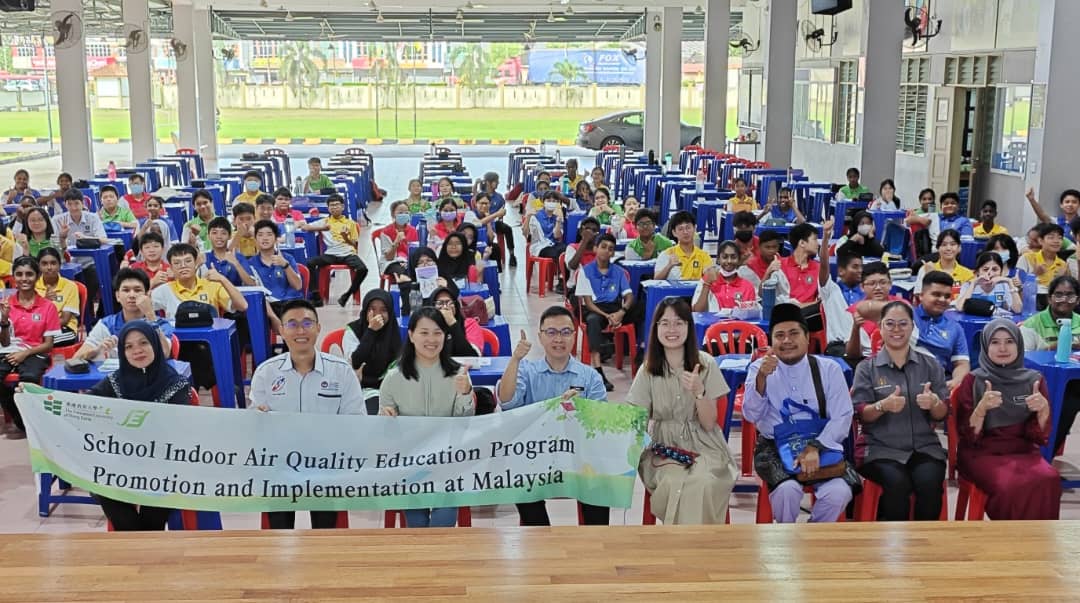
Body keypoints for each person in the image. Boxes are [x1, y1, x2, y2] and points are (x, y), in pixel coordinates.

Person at [250, 299, 365, 529]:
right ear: (281, 330)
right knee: (279, 531)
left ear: (318, 327)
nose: (300, 331)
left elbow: (357, 423)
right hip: (280, 466)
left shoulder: (340, 372)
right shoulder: (266, 373)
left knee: (326, 533)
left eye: (307, 323)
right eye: (291, 324)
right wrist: (258, 418)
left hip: (327, 466)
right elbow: (254, 431)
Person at [626, 297, 737, 524]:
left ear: (689, 326)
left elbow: (709, 423)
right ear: (655, 328)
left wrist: (699, 392)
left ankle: (695, 545)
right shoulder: (648, 370)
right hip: (663, 447)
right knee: (675, 482)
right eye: (664, 323)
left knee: (703, 481)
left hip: (705, 445)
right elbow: (636, 420)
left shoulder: (706, 364)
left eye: (679, 323)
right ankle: (687, 545)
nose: (672, 329)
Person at [497, 305, 609, 525]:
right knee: (521, 482)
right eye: (551, 332)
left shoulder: (590, 377)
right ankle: (539, 540)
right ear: (540, 336)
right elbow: (507, 402)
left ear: (575, 336)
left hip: (578, 457)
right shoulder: (527, 371)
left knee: (600, 481)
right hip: (535, 456)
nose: (559, 339)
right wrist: (515, 359)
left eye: (566, 332)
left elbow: (602, 424)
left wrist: (581, 411)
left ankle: (596, 544)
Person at [743, 303, 855, 523]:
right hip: (774, 446)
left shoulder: (829, 369)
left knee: (838, 492)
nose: (787, 341)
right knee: (788, 491)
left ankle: (813, 538)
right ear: (771, 341)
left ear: (807, 337)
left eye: (794, 333)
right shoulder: (759, 369)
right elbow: (751, 415)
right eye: (780, 335)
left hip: (821, 443)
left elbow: (842, 416)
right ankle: (787, 539)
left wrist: (815, 447)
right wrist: (761, 381)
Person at [87, 321, 192, 530]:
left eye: (143, 343)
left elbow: (180, 429)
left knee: (153, 517)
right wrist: (38, 397)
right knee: (108, 496)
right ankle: (139, 548)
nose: (137, 351)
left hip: (163, 467)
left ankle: (141, 551)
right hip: (120, 465)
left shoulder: (175, 383)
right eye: (129, 346)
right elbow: (88, 406)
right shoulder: (115, 380)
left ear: (155, 344)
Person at [378, 307, 475, 527]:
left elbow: (466, 421)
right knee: (417, 524)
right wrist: (385, 417)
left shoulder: (458, 374)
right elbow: (382, 430)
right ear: (411, 335)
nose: (431, 339)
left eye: (437, 332)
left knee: (443, 522)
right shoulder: (393, 378)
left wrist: (466, 393)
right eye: (424, 333)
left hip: (448, 463)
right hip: (409, 464)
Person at [851, 301, 948, 521]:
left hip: (924, 448)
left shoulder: (930, 365)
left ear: (913, 327)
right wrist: (881, 406)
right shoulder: (866, 368)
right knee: (897, 485)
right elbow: (861, 413)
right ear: (880, 327)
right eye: (890, 324)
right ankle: (893, 549)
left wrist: (934, 403)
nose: (896, 330)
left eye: (903, 324)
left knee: (930, 483)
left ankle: (926, 546)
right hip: (879, 449)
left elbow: (942, 414)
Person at [955, 319, 1061, 520]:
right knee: (1009, 485)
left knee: (1050, 478)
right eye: (995, 342)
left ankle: (1037, 541)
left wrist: (1043, 411)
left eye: (1009, 341)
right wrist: (981, 410)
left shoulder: (1034, 379)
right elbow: (966, 436)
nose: (1002, 348)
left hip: (1023, 450)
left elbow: (1037, 436)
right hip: (982, 452)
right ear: (986, 346)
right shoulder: (973, 380)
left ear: (1019, 345)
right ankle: (1011, 543)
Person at [152, 243, 248, 391]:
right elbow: (139, 305)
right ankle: (212, 380)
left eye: (188, 261)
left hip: (209, 346)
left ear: (197, 263)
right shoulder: (165, 290)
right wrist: (152, 283)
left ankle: (195, 386)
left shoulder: (211, 285)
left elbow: (243, 306)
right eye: (177, 263)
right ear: (170, 268)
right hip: (180, 348)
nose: (183, 266)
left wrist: (222, 279)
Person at [1021, 275, 1080, 452]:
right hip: (1039, 384)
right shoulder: (1032, 324)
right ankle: (1044, 453)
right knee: (1068, 403)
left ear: (1077, 300)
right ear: (1049, 298)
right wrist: (1055, 347)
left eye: (1070, 295)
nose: (1065, 300)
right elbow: (1022, 362)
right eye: (1059, 295)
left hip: (1073, 381)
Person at [0, 256, 59, 431]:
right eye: (19, 274)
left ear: (37, 276)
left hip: (36, 352)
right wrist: (3, 320)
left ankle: (34, 423)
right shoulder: (5, 304)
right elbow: (4, 342)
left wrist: (24, 354)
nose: (24, 278)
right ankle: (20, 418)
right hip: (7, 351)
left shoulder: (48, 307)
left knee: (29, 379)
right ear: (13, 277)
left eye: (29, 274)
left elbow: (48, 344)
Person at [575, 233, 639, 390]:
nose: (606, 251)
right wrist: (608, 317)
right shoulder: (586, 271)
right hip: (597, 309)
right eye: (603, 247)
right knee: (593, 321)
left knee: (640, 307)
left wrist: (621, 312)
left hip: (616, 308)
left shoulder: (618, 271)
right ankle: (598, 370)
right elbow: (588, 303)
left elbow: (629, 296)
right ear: (596, 249)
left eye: (611, 249)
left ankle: (640, 354)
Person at [75, 268, 174, 361]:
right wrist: (97, 351)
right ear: (118, 296)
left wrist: (151, 317)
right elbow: (76, 359)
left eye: (137, 290)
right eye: (126, 290)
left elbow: (165, 353)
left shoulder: (161, 324)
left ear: (147, 295)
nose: (131, 295)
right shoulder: (106, 325)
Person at [302, 193, 368, 307]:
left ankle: (347, 295)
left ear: (342, 207)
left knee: (363, 269)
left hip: (348, 253)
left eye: (337, 205)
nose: (334, 207)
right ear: (328, 208)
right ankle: (316, 296)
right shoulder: (325, 221)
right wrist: (322, 228)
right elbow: (305, 227)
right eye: (331, 205)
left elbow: (354, 243)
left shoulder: (350, 223)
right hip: (331, 254)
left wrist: (346, 237)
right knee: (310, 263)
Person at [345, 289, 401, 415]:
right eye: (372, 309)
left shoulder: (393, 331)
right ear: (365, 310)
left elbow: (400, 362)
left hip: (393, 389)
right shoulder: (352, 331)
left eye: (383, 310)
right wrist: (371, 331)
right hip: (365, 389)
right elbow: (356, 362)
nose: (377, 315)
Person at [845, 263, 916, 360]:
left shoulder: (903, 305)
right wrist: (855, 328)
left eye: (883, 282)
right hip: (867, 361)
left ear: (890, 284)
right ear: (862, 287)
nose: (878, 288)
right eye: (872, 283)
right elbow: (852, 355)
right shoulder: (853, 312)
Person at [913, 271, 970, 390]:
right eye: (936, 294)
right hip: (903, 380)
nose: (942, 299)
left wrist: (956, 380)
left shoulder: (955, 327)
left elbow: (962, 364)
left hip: (938, 384)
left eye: (947, 296)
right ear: (921, 295)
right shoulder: (906, 316)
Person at [775, 221, 830, 340]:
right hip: (784, 313)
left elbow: (822, 300)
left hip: (809, 317)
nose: (817, 243)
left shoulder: (818, 268)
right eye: (815, 239)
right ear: (802, 243)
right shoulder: (780, 265)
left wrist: (801, 306)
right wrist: (769, 271)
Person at [53, 188, 106, 304]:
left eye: (76, 203)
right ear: (65, 204)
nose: (73, 207)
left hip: (89, 262)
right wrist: (62, 237)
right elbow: (54, 246)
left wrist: (85, 238)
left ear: (83, 203)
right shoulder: (57, 220)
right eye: (69, 204)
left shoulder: (92, 218)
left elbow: (103, 239)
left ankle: (87, 306)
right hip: (67, 263)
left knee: (95, 279)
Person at [248, 220, 304, 313]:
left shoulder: (287, 258)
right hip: (266, 308)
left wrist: (285, 265)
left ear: (276, 238)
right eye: (260, 235)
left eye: (269, 234)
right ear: (255, 239)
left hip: (290, 305)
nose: (265, 238)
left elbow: (298, 286)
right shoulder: (251, 263)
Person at [692, 240, 757, 312]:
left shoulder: (748, 286)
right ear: (718, 259)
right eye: (725, 257)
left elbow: (751, 315)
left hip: (738, 323)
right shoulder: (706, 280)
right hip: (713, 323)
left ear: (738, 260)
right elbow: (697, 312)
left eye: (733, 257)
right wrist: (707, 284)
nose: (729, 261)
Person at [34, 247, 79, 347]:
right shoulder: (33, 285)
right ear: (39, 266)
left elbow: (64, 319)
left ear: (59, 265)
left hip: (64, 328)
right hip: (36, 326)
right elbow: (29, 314)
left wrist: (40, 328)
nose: (49, 267)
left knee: (36, 341)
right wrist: (44, 301)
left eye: (53, 263)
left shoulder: (70, 286)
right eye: (44, 264)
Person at [525, 191, 568, 290]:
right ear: (543, 202)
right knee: (555, 253)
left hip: (553, 243)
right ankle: (561, 281)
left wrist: (558, 220)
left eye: (555, 201)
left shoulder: (558, 216)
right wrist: (528, 217)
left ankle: (563, 280)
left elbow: (557, 236)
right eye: (549, 200)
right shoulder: (536, 215)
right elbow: (526, 233)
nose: (552, 203)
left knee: (566, 250)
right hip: (539, 246)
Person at [955, 252, 1022, 314]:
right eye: (985, 269)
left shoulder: (1004, 286)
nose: (990, 273)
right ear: (978, 271)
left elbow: (1018, 310)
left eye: (995, 269)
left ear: (1001, 272)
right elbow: (959, 308)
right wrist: (974, 284)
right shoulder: (968, 285)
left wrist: (1009, 282)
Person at [473, 171, 515, 268]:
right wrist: (475, 185)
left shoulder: (499, 197)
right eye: (496, 181)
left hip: (494, 222)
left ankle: (512, 254)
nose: (498, 183)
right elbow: (474, 196)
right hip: (480, 222)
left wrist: (499, 216)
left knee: (508, 229)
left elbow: (501, 214)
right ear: (488, 182)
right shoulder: (481, 195)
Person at [655, 211, 712, 281]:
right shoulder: (666, 254)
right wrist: (669, 266)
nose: (685, 232)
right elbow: (656, 280)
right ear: (674, 233)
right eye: (680, 229)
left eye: (688, 228)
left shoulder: (704, 256)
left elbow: (711, 279)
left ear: (695, 228)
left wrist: (710, 273)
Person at [428, 284, 482, 356]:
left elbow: (473, 357)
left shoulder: (470, 324)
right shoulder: (427, 326)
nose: (445, 307)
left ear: (456, 305)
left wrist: (452, 323)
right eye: (439, 303)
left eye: (449, 302)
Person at [1017, 222, 1068, 299]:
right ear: (1040, 240)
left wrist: (1059, 280)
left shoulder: (1063, 265)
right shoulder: (1026, 258)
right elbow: (1017, 286)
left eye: (1060, 238)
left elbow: (1067, 292)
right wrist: (1034, 274)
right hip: (1029, 304)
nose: (1056, 241)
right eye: (1051, 237)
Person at [204, 218, 256, 288]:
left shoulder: (238, 257)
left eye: (223, 233)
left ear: (230, 236)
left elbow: (252, 284)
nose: (219, 237)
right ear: (208, 236)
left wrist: (236, 264)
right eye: (214, 233)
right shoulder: (204, 258)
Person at [376, 201, 419, 281]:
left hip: (408, 261)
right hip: (391, 262)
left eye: (406, 212)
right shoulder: (386, 232)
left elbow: (415, 251)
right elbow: (389, 257)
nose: (403, 215)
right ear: (393, 215)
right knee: (405, 273)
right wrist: (396, 242)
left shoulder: (413, 230)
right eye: (400, 213)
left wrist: (408, 262)